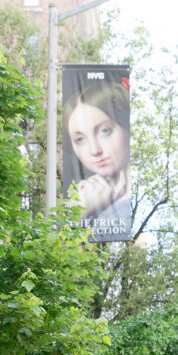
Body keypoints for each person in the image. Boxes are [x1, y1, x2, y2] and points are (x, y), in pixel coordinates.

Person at [62, 77, 131, 239]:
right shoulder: (87, 194)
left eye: (105, 131)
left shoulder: (132, 208)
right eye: (80, 139)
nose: (95, 150)